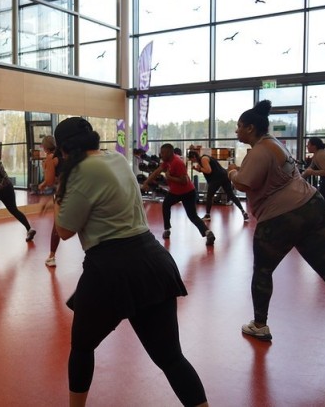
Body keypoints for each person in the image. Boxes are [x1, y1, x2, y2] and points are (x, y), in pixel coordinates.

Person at [51, 117, 208, 407]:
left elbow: (64, 230)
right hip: (152, 259)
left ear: (63, 149)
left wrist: (58, 188)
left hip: (110, 269)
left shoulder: (80, 172)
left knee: (82, 347)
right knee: (171, 358)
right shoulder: (116, 158)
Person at [227, 100, 325, 344]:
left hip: (281, 216)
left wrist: (231, 172)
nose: (236, 131)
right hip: (311, 205)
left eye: (239, 126)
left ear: (250, 128)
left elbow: (243, 183)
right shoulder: (275, 144)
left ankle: (259, 325)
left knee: (263, 270)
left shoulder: (260, 150)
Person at [141, 144, 215, 246]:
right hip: (176, 192)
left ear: (168, 153)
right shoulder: (167, 161)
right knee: (166, 205)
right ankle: (167, 229)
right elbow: (156, 172)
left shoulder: (177, 162)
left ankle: (208, 233)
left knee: (192, 216)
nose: (161, 155)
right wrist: (145, 183)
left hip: (188, 192)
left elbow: (184, 181)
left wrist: (170, 178)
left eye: (162, 153)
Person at [187, 149, 249, 221]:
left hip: (216, 179)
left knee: (209, 196)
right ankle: (243, 212)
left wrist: (200, 168)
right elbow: (206, 170)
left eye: (191, 159)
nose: (191, 161)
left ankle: (207, 215)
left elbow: (208, 170)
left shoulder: (203, 159)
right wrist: (197, 169)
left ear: (194, 156)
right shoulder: (203, 159)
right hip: (224, 176)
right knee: (231, 195)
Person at [37, 135, 62, 267]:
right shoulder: (62, 155)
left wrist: (44, 182)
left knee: (57, 225)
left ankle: (52, 256)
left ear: (45, 147)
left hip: (64, 190)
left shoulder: (50, 158)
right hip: (71, 188)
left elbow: (50, 180)